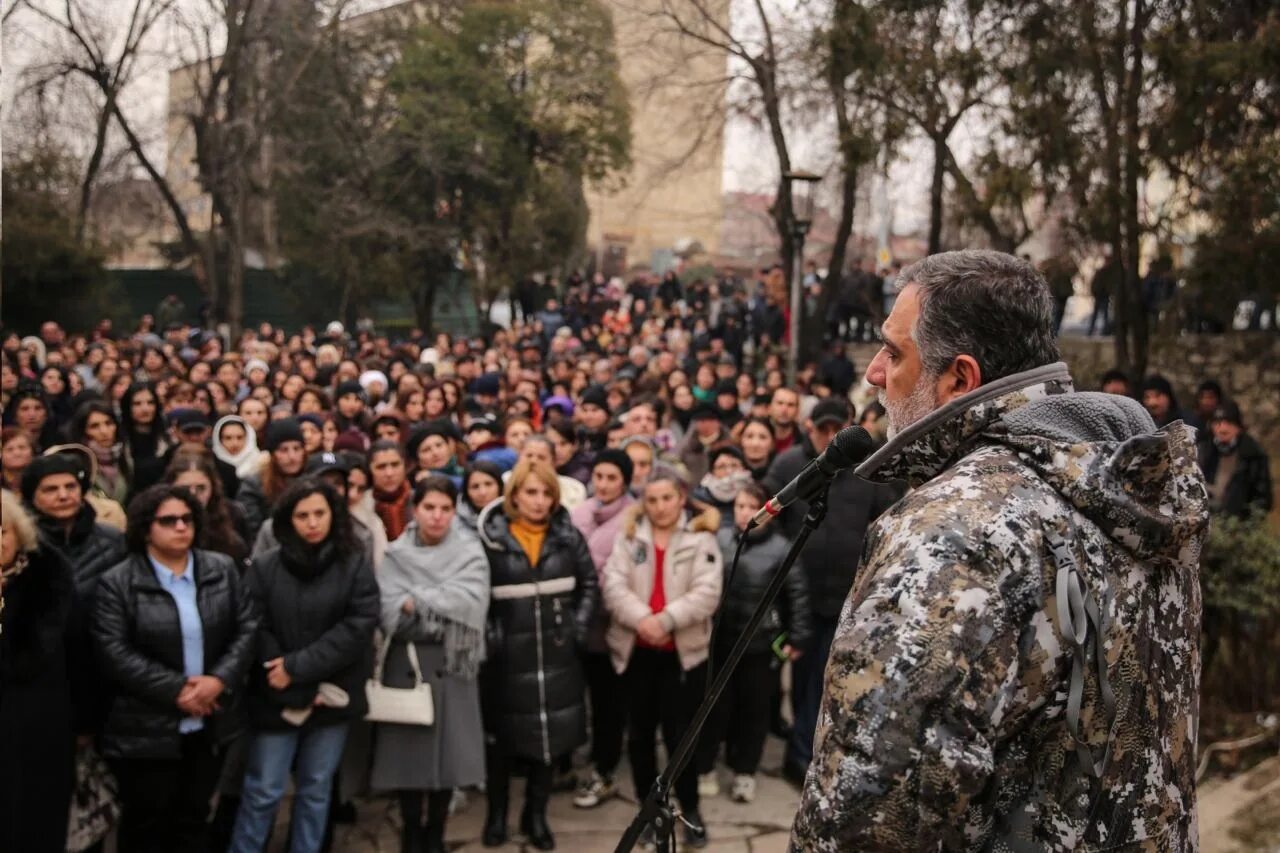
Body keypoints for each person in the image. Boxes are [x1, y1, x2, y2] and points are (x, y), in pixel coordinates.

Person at [792, 250, 1208, 849]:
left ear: (960, 378)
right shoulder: (1140, 493)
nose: (874, 374)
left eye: (894, 351)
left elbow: (871, 814)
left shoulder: (951, 531)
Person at [93, 483, 259, 853]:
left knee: (194, 817)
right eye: (168, 521)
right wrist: (178, 690)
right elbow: (114, 650)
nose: (181, 527)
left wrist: (218, 681)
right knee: (147, 824)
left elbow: (246, 628)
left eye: (187, 519)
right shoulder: (118, 582)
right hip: (146, 728)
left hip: (210, 722)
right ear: (145, 527)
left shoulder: (221, 568)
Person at [230, 479, 379, 853]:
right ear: (286, 520)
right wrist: (287, 677)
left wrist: (299, 669)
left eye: (320, 513)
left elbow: (357, 628)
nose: (312, 523)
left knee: (316, 788)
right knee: (264, 789)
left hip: (331, 694)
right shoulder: (265, 568)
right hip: (276, 694)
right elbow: (253, 625)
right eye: (302, 515)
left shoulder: (354, 565)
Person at [764, 397, 902, 784]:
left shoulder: (870, 468)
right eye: (822, 429)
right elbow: (773, 517)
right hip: (798, 597)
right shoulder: (792, 465)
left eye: (835, 428)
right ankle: (795, 741)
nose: (828, 436)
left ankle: (803, 753)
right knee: (800, 671)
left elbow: (887, 517)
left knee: (824, 678)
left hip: (845, 592)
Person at [476, 460, 599, 850]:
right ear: (514, 496)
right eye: (530, 492)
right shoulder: (492, 539)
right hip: (507, 662)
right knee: (502, 743)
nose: (539, 501)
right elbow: (477, 596)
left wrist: (576, 628)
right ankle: (496, 815)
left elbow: (589, 584)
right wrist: (492, 638)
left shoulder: (567, 537)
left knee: (548, 742)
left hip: (557, 658)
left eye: (546, 493)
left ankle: (536, 815)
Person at [602, 465, 722, 848]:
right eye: (651, 499)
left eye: (667, 498)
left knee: (680, 739)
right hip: (638, 653)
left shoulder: (699, 538)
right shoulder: (630, 537)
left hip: (680, 656)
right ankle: (648, 811)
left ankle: (691, 809)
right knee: (639, 737)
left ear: (681, 499)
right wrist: (642, 620)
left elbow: (707, 592)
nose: (660, 506)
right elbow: (613, 583)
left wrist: (667, 619)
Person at [371, 476, 490, 853]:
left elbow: (472, 604)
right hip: (406, 663)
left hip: (454, 664)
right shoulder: (395, 553)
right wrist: (437, 607)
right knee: (408, 759)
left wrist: (417, 601)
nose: (437, 517)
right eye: (429, 508)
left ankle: (436, 833)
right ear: (415, 509)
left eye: (445, 509)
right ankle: (410, 831)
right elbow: (390, 610)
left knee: (449, 759)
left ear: (454, 512)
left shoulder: (470, 553)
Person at [699, 481, 810, 804]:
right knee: (713, 707)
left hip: (759, 645)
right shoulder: (719, 540)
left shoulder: (781, 547)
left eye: (752, 506)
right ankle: (705, 766)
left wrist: (798, 636)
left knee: (754, 710)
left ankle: (745, 771)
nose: (746, 512)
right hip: (718, 641)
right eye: (740, 506)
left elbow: (797, 594)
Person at [0, 490, 77, 853]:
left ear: (18, 534)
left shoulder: (50, 582)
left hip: (42, 729)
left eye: (2, 532)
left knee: (37, 824)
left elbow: (82, 655)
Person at [567, 449, 636, 809]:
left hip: (612, 628)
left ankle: (604, 769)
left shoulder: (632, 518)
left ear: (624, 480)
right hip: (578, 624)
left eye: (612, 477)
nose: (604, 484)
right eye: (599, 476)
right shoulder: (578, 513)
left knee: (610, 704)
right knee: (579, 697)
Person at [164, 448, 250, 564]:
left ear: (212, 488)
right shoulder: (158, 521)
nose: (193, 495)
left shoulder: (233, 515)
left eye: (201, 488)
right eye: (184, 489)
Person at [236, 417, 309, 542]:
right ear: (272, 454)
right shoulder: (253, 486)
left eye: (297, 449)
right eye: (284, 450)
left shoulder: (313, 480)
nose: (292, 457)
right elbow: (254, 530)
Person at [1197, 400, 1272, 519]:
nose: (1223, 429)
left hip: (1238, 526)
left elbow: (1262, 499)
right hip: (1205, 523)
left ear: (1239, 427)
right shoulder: (1202, 451)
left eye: (1229, 423)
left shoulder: (1252, 455)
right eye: (1218, 423)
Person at [69, 399, 131, 505]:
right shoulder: (76, 463)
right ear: (83, 431)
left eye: (108, 423)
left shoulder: (126, 457)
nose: (104, 431)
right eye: (94, 426)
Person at [370, 440, 414, 540]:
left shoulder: (421, 501)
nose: (389, 473)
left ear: (405, 466)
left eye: (395, 465)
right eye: (381, 467)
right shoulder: (363, 507)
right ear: (370, 470)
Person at [213, 414, 263, 479]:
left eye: (239, 437)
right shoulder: (211, 466)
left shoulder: (261, 464)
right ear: (219, 440)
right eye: (228, 438)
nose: (235, 443)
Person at [459, 461, 504, 531]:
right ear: (466, 492)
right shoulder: (455, 523)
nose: (483, 492)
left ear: (500, 486)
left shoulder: (517, 516)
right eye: (475, 487)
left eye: (488, 484)